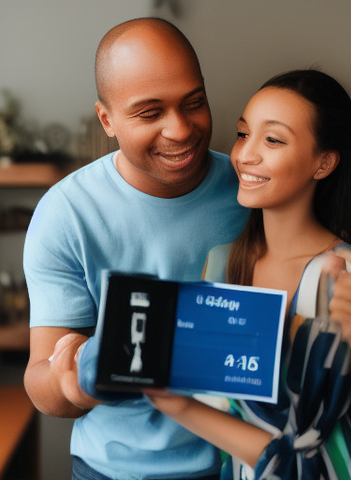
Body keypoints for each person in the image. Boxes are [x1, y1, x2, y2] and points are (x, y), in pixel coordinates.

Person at [146, 69, 351, 480]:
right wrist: (173, 403)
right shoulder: (221, 266)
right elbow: (258, 440)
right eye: (244, 134)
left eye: (273, 139)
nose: (246, 154)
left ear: (324, 163)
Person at [23, 17, 249, 480]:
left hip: (243, 463)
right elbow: (39, 380)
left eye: (195, 103)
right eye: (151, 113)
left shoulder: (252, 191)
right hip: (113, 470)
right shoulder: (65, 215)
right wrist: (73, 381)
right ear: (107, 120)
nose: (181, 129)